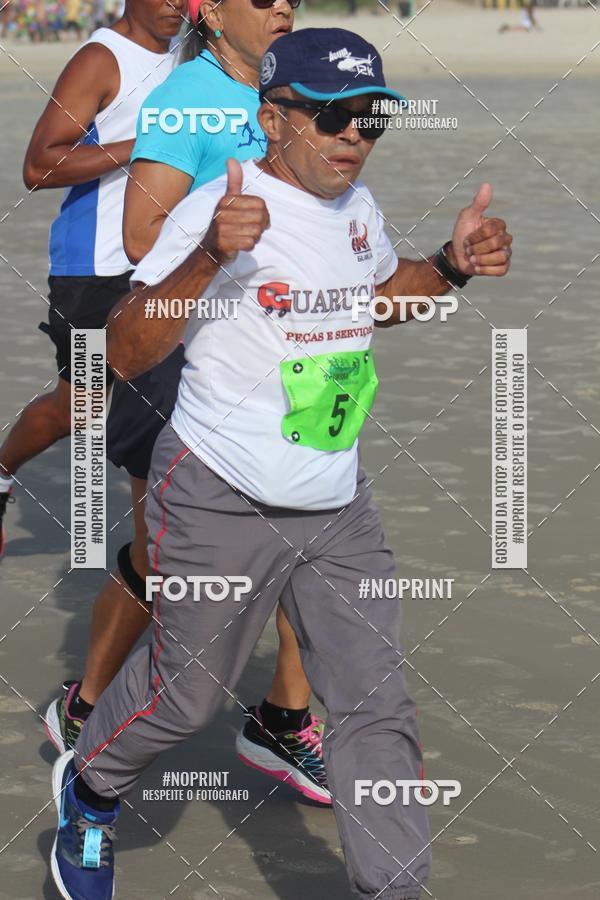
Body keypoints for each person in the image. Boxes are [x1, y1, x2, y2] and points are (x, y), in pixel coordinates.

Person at [50, 27, 513, 900]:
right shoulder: (219, 208)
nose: (355, 136)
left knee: (376, 706)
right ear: (274, 117)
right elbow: (121, 348)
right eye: (336, 116)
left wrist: (450, 268)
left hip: (337, 500)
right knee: (186, 698)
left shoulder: (358, 209)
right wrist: (213, 254)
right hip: (219, 492)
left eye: (373, 118)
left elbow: (372, 302)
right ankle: (90, 789)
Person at [45, 0, 331, 810]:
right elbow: (142, 238)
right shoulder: (186, 99)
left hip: (278, 351)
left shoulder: (292, 92)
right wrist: (227, 234)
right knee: (169, 559)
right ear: (212, 13)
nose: (282, 6)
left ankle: (282, 716)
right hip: (173, 347)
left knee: (299, 533)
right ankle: (92, 707)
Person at [0, 0, 182, 554]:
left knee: (166, 407)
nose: (179, 4)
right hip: (94, 268)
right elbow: (39, 165)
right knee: (79, 409)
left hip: (160, 261)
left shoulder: (192, 53)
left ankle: (159, 555)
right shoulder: (102, 58)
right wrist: (150, 145)